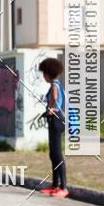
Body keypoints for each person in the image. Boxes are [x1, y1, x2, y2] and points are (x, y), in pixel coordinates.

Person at [37, 57, 69, 198]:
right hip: (54, 120)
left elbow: (55, 98)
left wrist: (50, 108)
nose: (43, 76)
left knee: (57, 154)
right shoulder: (55, 84)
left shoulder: (55, 85)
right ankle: (54, 185)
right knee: (53, 154)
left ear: (48, 73)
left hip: (56, 120)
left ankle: (63, 187)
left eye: (44, 73)